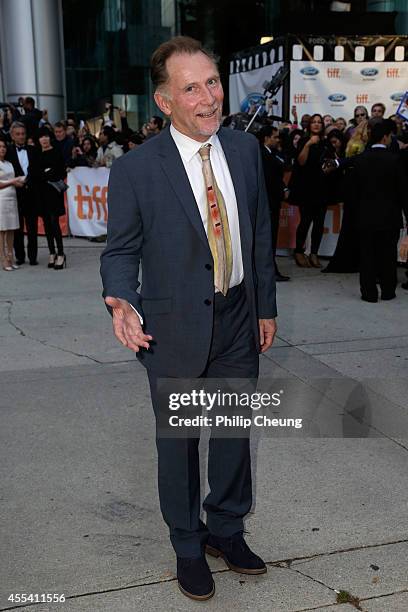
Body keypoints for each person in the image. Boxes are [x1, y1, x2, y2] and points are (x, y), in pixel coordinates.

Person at [100, 36, 277, 602]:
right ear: (164, 102)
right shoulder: (135, 170)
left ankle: (227, 528)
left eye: (214, 82)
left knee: (231, 435)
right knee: (179, 442)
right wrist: (121, 298)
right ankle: (186, 543)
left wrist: (264, 307)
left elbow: (261, 234)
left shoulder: (245, 151)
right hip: (172, 328)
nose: (209, 98)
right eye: (192, 87)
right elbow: (120, 250)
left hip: (236, 317)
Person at [350, 120, 408, 302]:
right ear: (385, 137)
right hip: (389, 217)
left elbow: (352, 192)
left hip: (365, 217)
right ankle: (388, 291)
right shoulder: (395, 160)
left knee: (367, 256)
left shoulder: (360, 160)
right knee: (388, 255)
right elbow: (403, 192)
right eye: (390, 136)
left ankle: (369, 293)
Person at [290, 114, 329, 268]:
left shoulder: (325, 143)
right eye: (314, 122)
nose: (317, 125)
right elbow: (301, 161)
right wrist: (308, 145)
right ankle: (299, 251)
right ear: (309, 125)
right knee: (305, 221)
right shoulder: (304, 140)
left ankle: (314, 253)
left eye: (319, 122)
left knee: (319, 223)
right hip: (306, 188)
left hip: (322, 187)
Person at [258, 126, 290, 281]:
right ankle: (269, 271)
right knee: (268, 238)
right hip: (268, 204)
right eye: (275, 137)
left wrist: (283, 187)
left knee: (271, 238)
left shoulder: (272, 154)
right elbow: (269, 181)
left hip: (273, 202)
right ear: (266, 138)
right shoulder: (263, 155)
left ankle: (271, 269)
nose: (278, 140)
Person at [6, 121, 40, 265]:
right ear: (12, 136)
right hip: (15, 194)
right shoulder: (7, 152)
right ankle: (20, 256)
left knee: (32, 227)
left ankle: (33, 257)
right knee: (17, 227)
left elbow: (37, 171)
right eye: (18, 134)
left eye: (23, 134)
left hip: (31, 193)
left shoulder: (33, 150)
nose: (21, 137)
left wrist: (28, 181)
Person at [36, 128, 67, 269]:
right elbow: (35, 173)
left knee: (55, 223)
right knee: (47, 224)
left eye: (46, 136)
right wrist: (47, 172)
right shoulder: (37, 154)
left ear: (50, 137)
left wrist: (46, 173)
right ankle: (52, 252)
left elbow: (60, 171)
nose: (44, 139)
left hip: (54, 193)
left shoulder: (56, 151)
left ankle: (61, 253)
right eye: (41, 137)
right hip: (41, 194)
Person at [0, 137, 25, 270]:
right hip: (1, 199)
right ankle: (3, 259)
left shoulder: (9, 164)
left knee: (11, 229)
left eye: (3, 147)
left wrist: (19, 182)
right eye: (0, 147)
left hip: (12, 197)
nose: (2, 149)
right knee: (2, 230)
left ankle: (11, 256)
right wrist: (13, 181)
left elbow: (13, 180)